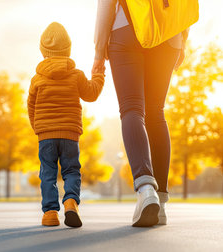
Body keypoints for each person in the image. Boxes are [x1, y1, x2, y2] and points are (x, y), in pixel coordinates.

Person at [94, 0, 187, 227]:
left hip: (127, 29)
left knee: (132, 108)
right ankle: (161, 206)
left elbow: (106, 3)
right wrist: (182, 38)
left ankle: (146, 191)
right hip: (169, 33)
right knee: (156, 112)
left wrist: (98, 52)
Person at [28, 22, 105, 227]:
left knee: (48, 173)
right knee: (71, 170)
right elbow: (91, 93)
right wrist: (99, 74)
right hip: (70, 133)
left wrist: (38, 128)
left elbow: (31, 106)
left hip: (46, 135)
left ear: (44, 52)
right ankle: (71, 202)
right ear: (68, 50)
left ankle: (50, 214)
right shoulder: (76, 75)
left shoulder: (37, 79)